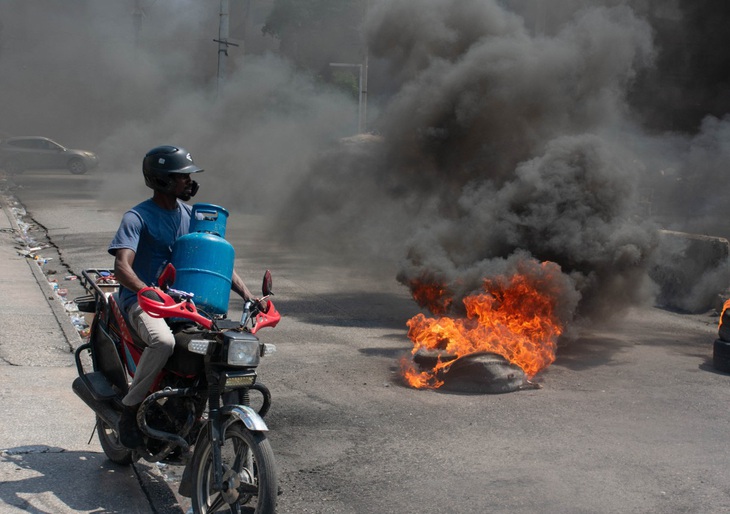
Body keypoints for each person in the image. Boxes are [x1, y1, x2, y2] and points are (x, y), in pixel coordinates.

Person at [108, 145, 260, 449]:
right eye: (183, 177)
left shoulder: (192, 216)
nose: (190, 183)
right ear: (163, 180)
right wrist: (144, 289)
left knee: (225, 345)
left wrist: (249, 295)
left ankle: (195, 408)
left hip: (183, 304)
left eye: (190, 177)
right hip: (144, 302)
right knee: (162, 342)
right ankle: (130, 408)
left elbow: (215, 260)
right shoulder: (137, 217)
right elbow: (122, 267)